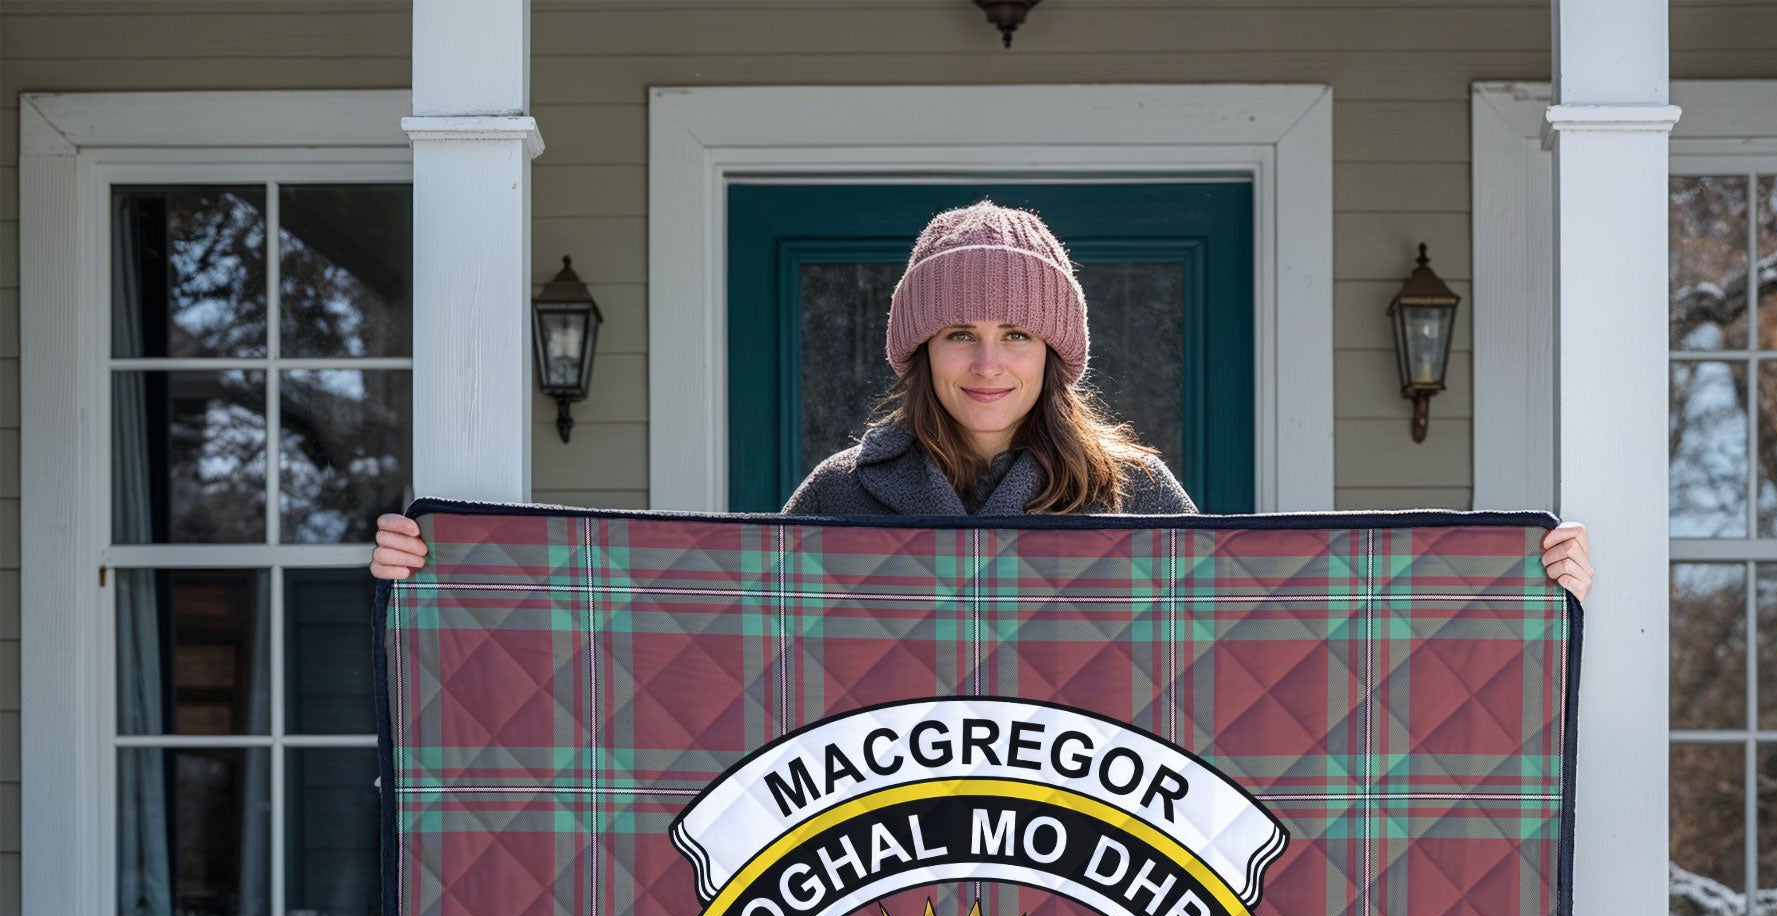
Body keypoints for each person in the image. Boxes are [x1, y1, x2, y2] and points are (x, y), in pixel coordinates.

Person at [372, 198, 1593, 594]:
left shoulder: (1134, 493)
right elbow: (694, 630)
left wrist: (1507, 586)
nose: (985, 360)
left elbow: (1261, 644)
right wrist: (456, 571)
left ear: (1055, 355)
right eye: (957, 332)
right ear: (917, 351)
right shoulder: (843, 495)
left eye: (1014, 333)